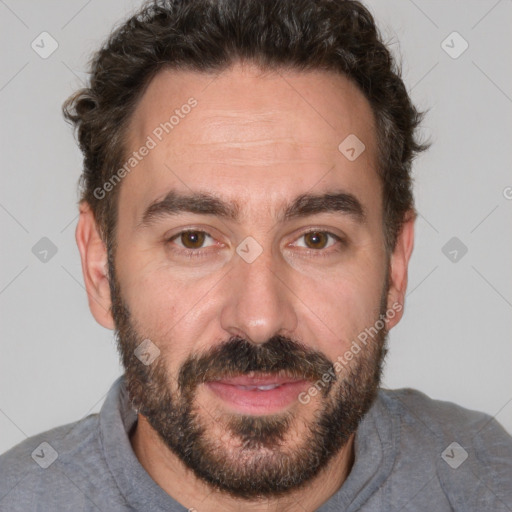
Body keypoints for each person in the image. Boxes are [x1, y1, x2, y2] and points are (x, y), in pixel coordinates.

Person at [1, 0, 511, 510]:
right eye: (194, 239)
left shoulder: (486, 478)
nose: (261, 319)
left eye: (317, 239)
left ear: (396, 267)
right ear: (99, 270)